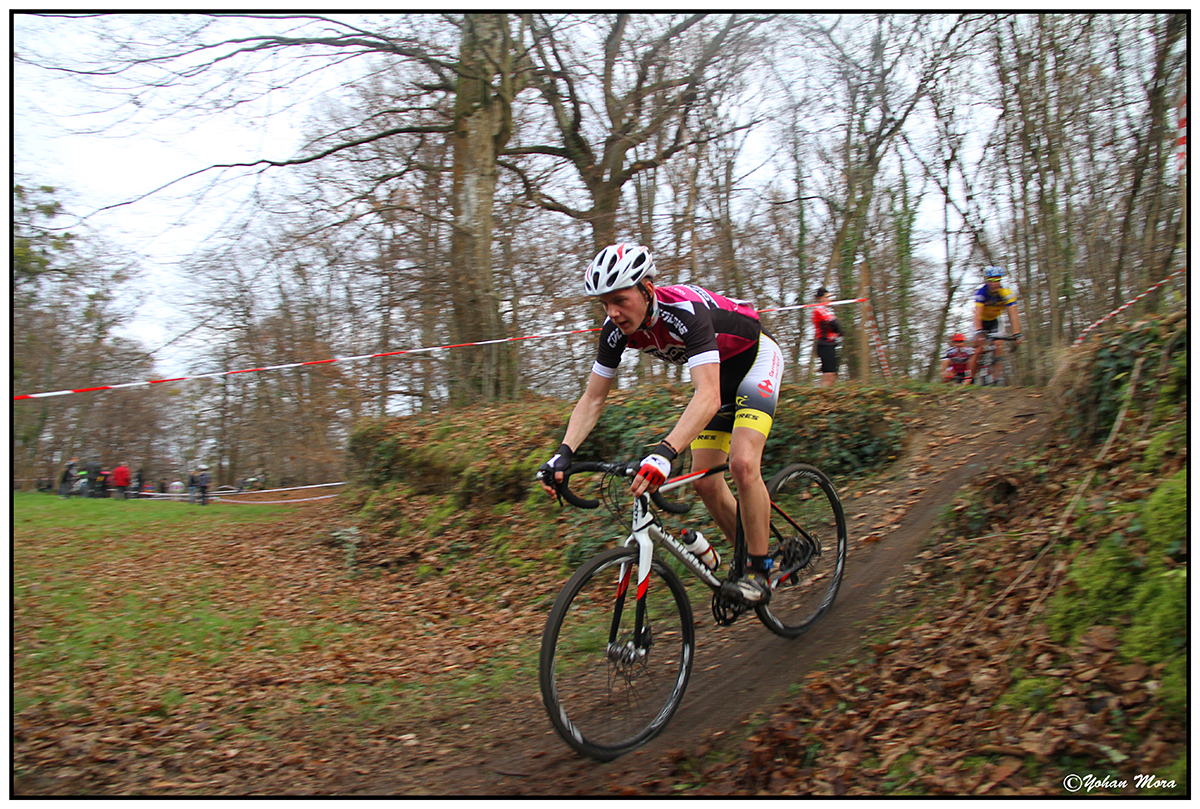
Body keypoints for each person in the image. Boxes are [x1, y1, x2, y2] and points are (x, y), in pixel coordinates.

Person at [537, 244, 785, 604]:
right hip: (718, 376)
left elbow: (708, 395)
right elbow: (593, 398)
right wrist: (563, 452)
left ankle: (760, 572)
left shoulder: (685, 312)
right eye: (605, 304)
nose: (613, 312)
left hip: (755, 361)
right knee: (705, 482)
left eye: (620, 300)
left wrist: (665, 453)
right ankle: (747, 559)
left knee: (743, 464)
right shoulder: (615, 331)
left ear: (647, 290)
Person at [969, 266, 1022, 380]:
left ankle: (996, 378)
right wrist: (978, 332)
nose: (994, 283)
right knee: (978, 350)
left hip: (995, 321)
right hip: (981, 321)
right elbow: (978, 314)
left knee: (998, 345)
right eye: (991, 280)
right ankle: (969, 378)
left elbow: (1013, 314)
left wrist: (1017, 333)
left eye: (997, 280)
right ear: (987, 281)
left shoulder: (1006, 293)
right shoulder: (982, 293)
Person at [811, 286, 843, 387]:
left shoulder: (827, 311)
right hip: (825, 344)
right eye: (827, 297)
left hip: (831, 344)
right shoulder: (819, 310)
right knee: (828, 375)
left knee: (832, 373)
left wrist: (838, 331)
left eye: (829, 297)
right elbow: (834, 324)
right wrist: (837, 329)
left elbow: (838, 328)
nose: (829, 299)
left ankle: (828, 392)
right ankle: (823, 393)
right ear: (820, 298)